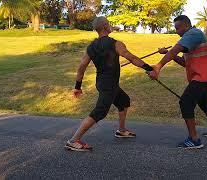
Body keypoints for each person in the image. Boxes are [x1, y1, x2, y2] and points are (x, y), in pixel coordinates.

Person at [65, 16, 154, 151]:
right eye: (109, 24)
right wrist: (150, 69)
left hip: (103, 83)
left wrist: (77, 87)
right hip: (108, 86)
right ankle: (74, 140)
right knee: (99, 112)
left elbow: (81, 67)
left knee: (124, 101)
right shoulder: (116, 43)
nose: (110, 25)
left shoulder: (91, 47)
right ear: (105, 26)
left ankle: (121, 130)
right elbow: (132, 58)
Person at [149, 15, 207, 149]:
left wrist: (158, 66)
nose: (176, 31)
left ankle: (194, 139)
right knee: (204, 104)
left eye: (178, 28)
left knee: (185, 102)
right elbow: (184, 62)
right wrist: (167, 53)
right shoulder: (190, 40)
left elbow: (176, 49)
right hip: (203, 76)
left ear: (186, 26)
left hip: (201, 77)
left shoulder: (194, 33)